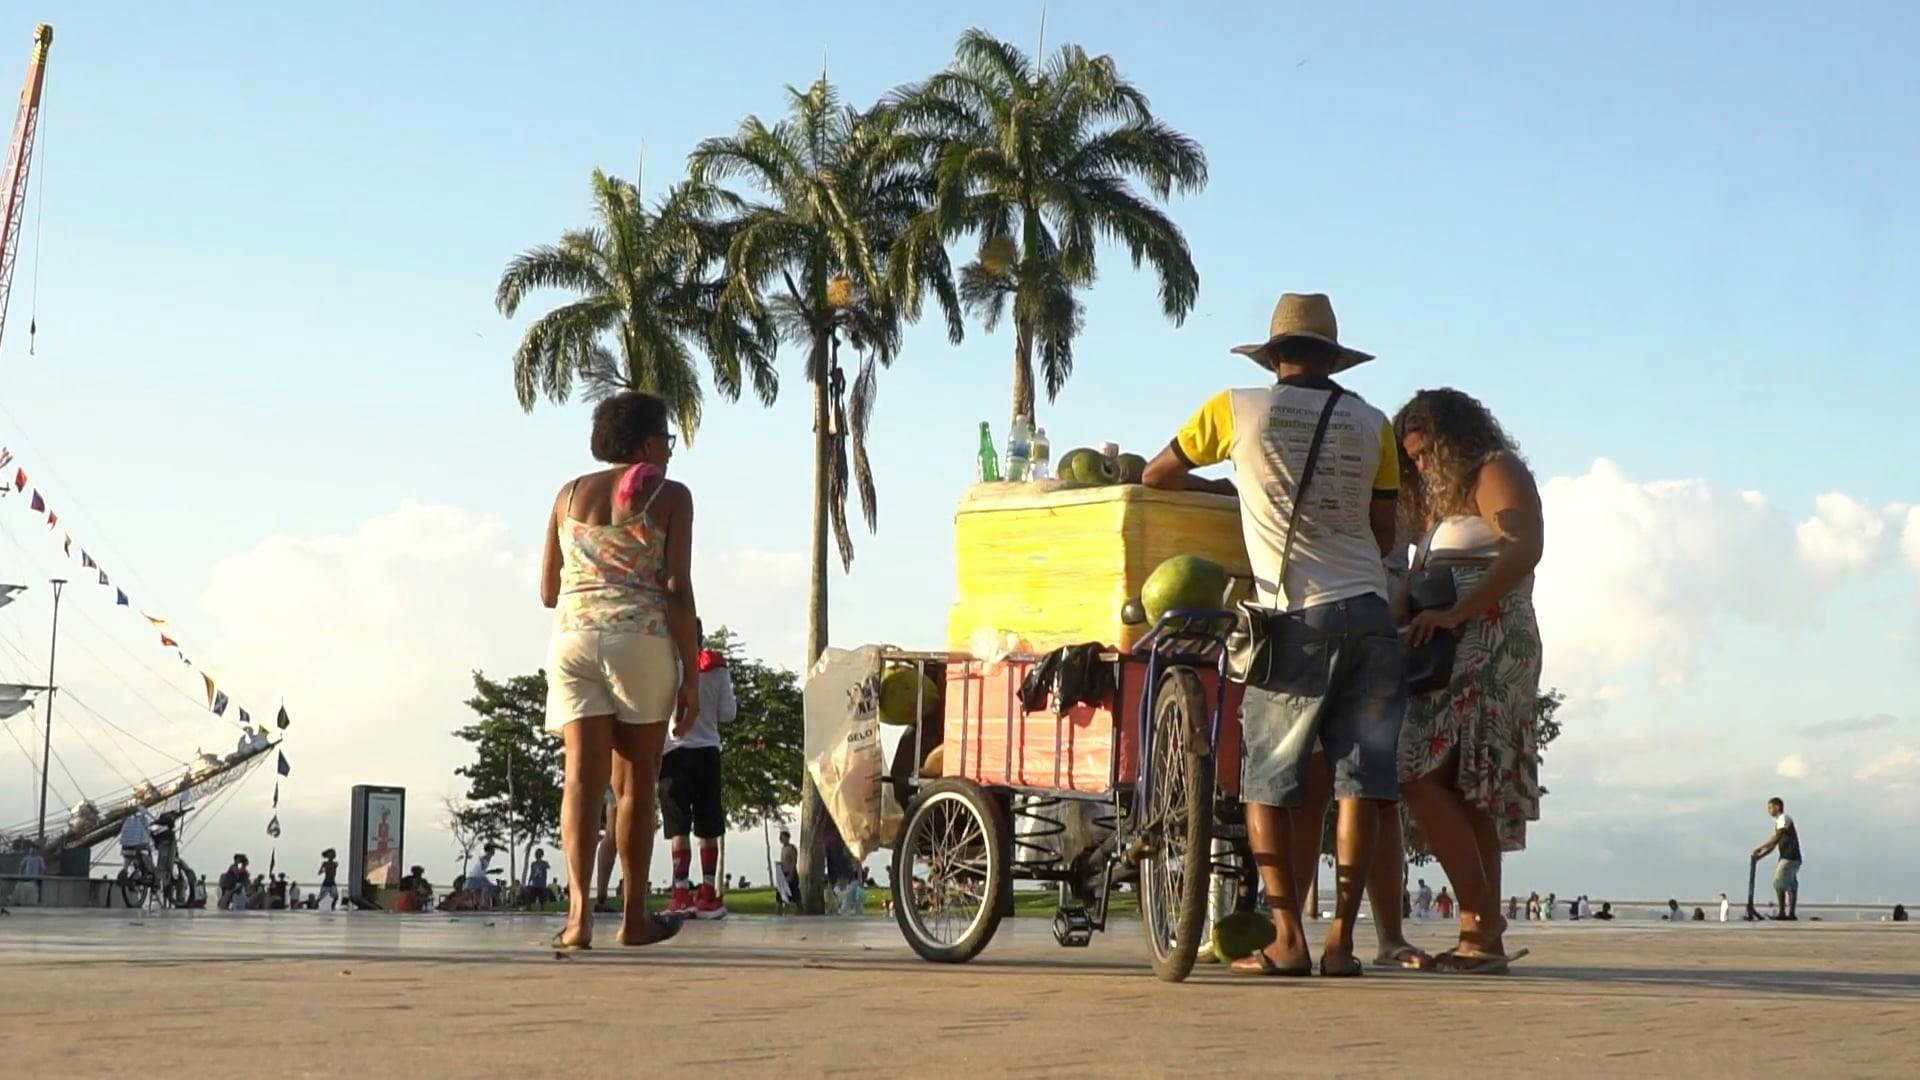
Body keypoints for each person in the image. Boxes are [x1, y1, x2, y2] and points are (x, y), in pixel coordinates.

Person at [1146, 294, 1405, 978]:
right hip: (1372, 617)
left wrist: (1238, 491)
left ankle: (1287, 939)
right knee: (1359, 784)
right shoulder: (1373, 423)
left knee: (1267, 782)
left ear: (1273, 358)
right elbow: (1385, 533)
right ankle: (1342, 943)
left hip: (1295, 618)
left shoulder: (1234, 410)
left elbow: (1157, 477)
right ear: (1332, 357)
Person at [1393, 388, 1545, 973]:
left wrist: (1457, 611)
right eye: (1414, 458)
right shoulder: (1442, 506)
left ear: (1456, 438)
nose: (1422, 465)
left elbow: (1524, 547)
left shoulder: (1496, 471)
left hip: (1490, 636)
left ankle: (1482, 921)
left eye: (1428, 452)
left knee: (1426, 772)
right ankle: (1480, 935)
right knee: (1453, 783)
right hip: (1443, 642)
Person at [541, 391, 696, 951]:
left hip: (573, 641)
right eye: (668, 441)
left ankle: (579, 916)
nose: (671, 453)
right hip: (641, 642)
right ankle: (634, 917)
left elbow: (546, 590)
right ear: (649, 443)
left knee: (581, 779)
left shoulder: (567, 495)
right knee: (636, 784)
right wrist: (693, 678)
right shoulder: (670, 496)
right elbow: (677, 589)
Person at [659, 619, 738, 920]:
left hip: (674, 753)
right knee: (708, 825)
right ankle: (707, 893)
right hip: (707, 752)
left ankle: (681, 893)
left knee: (678, 827)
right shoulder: (716, 668)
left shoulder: (666, 668)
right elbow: (728, 714)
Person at [1752, 796, 1803, 921]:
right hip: (1793, 858)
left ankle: (1782, 912)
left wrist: (1760, 847)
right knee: (1791, 885)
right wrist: (1760, 856)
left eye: (1770, 807)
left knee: (1779, 883)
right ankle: (1791, 913)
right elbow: (1775, 845)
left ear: (1777, 807)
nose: (1769, 810)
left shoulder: (1783, 818)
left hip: (1789, 857)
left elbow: (1776, 838)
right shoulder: (1780, 821)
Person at [118, 805, 156, 886]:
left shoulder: (127, 820)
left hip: (125, 846)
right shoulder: (142, 819)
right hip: (137, 845)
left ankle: (124, 872)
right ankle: (149, 873)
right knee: (147, 853)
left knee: (127, 862)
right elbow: (147, 831)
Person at [464, 844, 498, 910]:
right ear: (490, 850)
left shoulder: (487, 857)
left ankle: (478, 904)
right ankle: (483, 905)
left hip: (476, 876)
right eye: (493, 849)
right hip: (476, 877)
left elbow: (482, 868)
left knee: (479, 890)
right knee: (488, 888)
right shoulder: (486, 857)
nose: (494, 851)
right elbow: (482, 866)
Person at [776, 830, 799, 915]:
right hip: (783, 874)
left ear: (787, 838)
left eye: (782, 837)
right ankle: (779, 911)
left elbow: (794, 862)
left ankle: (798, 910)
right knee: (780, 893)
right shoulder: (783, 849)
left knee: (794, 893)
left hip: (791, 873)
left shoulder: (791, 848)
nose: (780, 839)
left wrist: (791, 874)